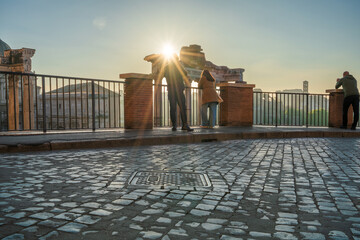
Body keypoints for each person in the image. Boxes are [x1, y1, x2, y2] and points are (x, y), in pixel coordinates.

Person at [163, 54, 193, 131]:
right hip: (179, 90)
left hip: (171, 90)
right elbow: (185, 73)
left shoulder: (166, 67)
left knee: (172, 108)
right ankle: (185, 125)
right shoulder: (179, 66)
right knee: (183, 107)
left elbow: (163, 75)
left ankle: (174, 126)